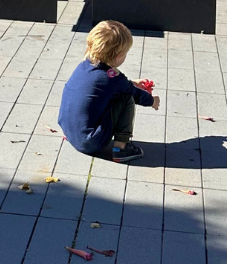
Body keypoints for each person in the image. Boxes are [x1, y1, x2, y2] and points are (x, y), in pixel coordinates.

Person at [58, 19, 158, 163]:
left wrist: (132, 83)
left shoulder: (84, 65)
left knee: (117, 93)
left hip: (72, 132)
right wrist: (153, 100)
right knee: (126, 98)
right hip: (90, 143)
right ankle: (121, 149)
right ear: (118, 56)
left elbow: (109, 86)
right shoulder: (113, 78)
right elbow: (134, 94)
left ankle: (78, 134)